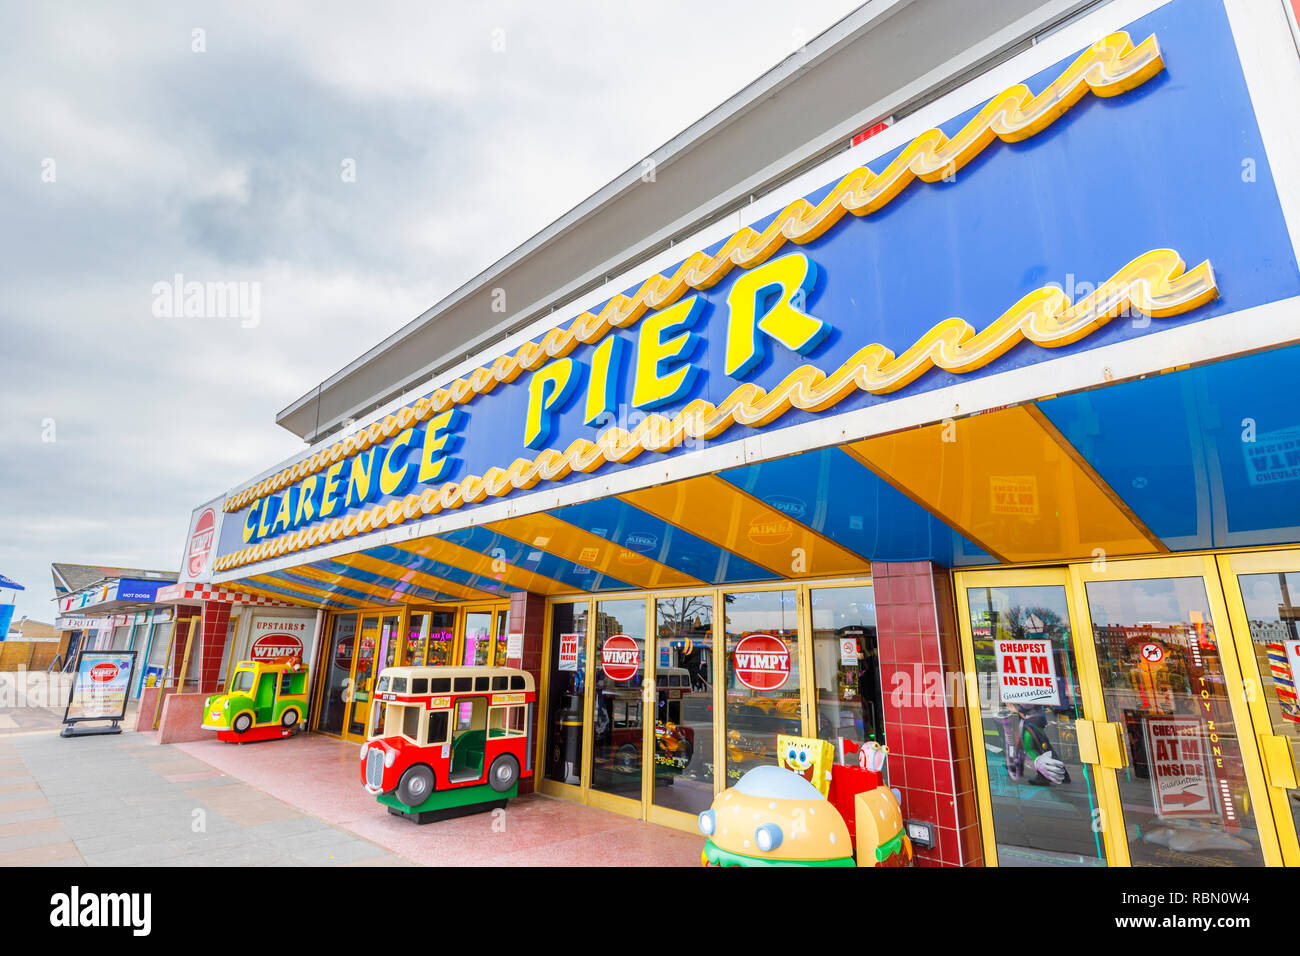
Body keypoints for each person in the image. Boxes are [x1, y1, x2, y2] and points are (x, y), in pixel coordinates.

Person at [995, 703, 1068, 785]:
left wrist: (1014, 708)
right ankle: (1062, 774)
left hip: (1033, 719)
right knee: (1036, 745)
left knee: (1031, 747)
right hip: (1031, 718)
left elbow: (1027, 705)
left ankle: (1044, 775)